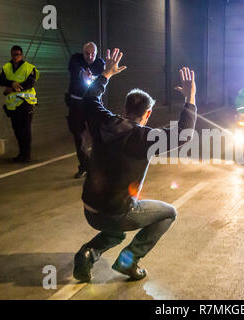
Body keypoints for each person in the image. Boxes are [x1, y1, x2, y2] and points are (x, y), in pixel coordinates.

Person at [73, 48, 197, 282]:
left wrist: (106, 75)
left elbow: (90, 99)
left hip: (89, 209)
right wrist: (190, 98)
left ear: (124, 108)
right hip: (116, 212)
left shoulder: (103, 121)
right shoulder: (144, 138)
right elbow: (184, 134)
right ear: (147, 114)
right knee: (168, 213)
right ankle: (129, 260)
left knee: (116, 231)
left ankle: (88, 253)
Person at [66, 42, 105, 178]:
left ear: (96, 53)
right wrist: (82, 73)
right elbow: (74, 67)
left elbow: (104, 78)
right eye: (87, 53)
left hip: (93, 104)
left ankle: (98, 166)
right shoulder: (75, 59)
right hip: (76, 103)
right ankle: (84, 165)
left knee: (98, 136)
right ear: (83, 53)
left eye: (92, 53)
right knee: (79, 137)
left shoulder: (100, 64)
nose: (90, 56)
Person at [0, 45, 39, 162]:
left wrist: (14, 88)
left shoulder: (29, 67)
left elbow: (30, 83)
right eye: (13, 54)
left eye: (18, 55)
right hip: (13, 105)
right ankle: (21, 154)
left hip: (25, 103)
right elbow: (1, 80)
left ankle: (26, 156)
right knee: (17, 130)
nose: (15, 57)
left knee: (25, 130)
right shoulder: (7, 67)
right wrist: (12, 83)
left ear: (22, 55)